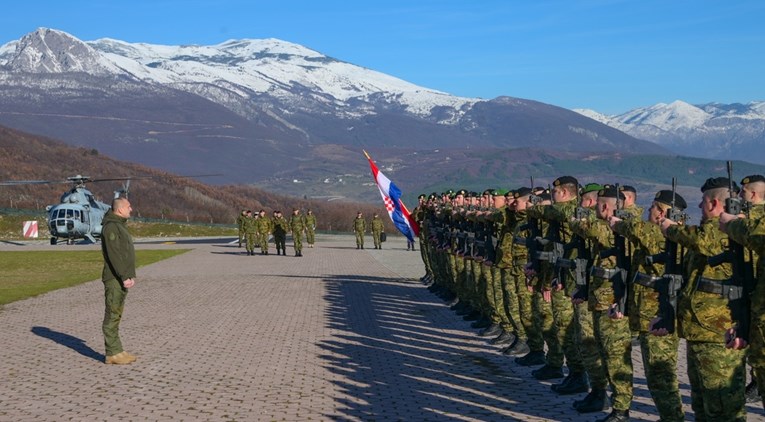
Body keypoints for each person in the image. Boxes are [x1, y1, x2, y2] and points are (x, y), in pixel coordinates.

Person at [659, 177, 747, 421]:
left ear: (714, 203)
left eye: (703, 201)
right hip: (700, 329)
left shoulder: (729, 230)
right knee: (702, 400)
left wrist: (671, 228)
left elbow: (703, 240)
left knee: (723, 403)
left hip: (719, 330)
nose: (699, 206)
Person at [100, 197, 138, 365]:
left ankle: (117, 349)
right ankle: (112, 352)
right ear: (120, 209)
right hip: (115, 278)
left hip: (121, 277)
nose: (131, 209)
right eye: (129, 206)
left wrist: (129, 275)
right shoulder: (112, 227)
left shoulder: (119, 225)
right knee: (112, 313)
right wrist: (124, 276)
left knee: (117, 313)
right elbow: (115, 254)